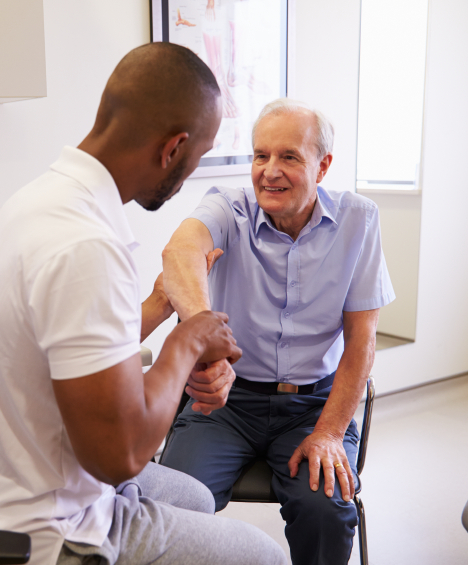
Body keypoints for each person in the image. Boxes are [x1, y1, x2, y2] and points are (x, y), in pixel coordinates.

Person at [0, 43, 287, 565]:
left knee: (198, 497)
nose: (190, 175)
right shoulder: (88, 245)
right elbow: (121, 455)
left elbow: (71, 352)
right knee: (265, 557)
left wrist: (162, 305)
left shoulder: (36, 202)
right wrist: (185, 344)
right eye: (198, 157)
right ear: (172, 148)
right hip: (40, 532)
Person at [159, 98, 395, 565]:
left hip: (314, 406)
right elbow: (178, 254)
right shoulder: (227, 208)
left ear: (322, 166)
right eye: (260, 155)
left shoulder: (358, 220)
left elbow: (361, 342)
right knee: (167, 507)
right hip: (227, 404)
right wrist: (209, 349)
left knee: (325, 509)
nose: (269, 171)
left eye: (289, 157)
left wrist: (329, 432)